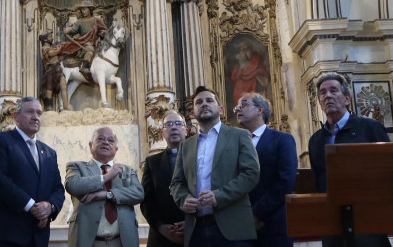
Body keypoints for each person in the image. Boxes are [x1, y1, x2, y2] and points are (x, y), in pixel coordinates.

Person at [170, 86, 260, 247]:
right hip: (196, 229)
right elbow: (176, 183)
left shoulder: (239, 135)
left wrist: (218, 196)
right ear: (192, 113)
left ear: (220, 109)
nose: (204, 104)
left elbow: (251, 173)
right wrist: (185, 199)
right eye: (199, 102)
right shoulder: (186, 146)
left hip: (233, 229)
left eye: (209, 100)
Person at [307, 72, 389, 247]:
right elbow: (319, 182)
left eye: (333, 90)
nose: (327, 95)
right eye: (323, 92)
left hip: (367, 220)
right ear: (320, 102)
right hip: (333, 224)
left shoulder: (370, 128)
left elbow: (387, 172)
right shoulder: (315, 140)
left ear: (346, 98)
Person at [0, 96, 65, 247]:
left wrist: (50, 207)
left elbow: (58, 188)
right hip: (5, 235)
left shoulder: (49, 152)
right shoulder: (1, 140)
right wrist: (32, 206)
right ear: (16, 116)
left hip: (37, 236)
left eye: (39, 113)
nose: (35, 117)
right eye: (30, 112)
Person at [233, 93, 296, 247]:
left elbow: (285, 181)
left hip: (273, 224)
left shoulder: (282, 139)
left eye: (244, 104)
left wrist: (256, 213)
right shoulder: (234, 144)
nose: (238, 110)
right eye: (237, 107)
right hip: (239, 226)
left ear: (260, 109)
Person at [64, 127, 144, 247]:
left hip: (122, 241)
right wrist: (107, 177)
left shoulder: (127, 170)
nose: (106, 142)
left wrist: (108, 194)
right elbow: (73, 186)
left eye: (110, 140)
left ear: (116, 149)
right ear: (91, 145)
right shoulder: (77, 167)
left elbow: (138, 193)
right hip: (88, 241)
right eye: (100, 139)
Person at [141, 111, 188, 247]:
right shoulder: (152, 162)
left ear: (186, 130)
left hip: (194, 232)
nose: (174, 127)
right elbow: (146, 200)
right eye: (168, 124)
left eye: (178, 123)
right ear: (162, 133)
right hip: (161, 237)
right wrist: (161, 227)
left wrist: (192, 222)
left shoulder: (199, 158)